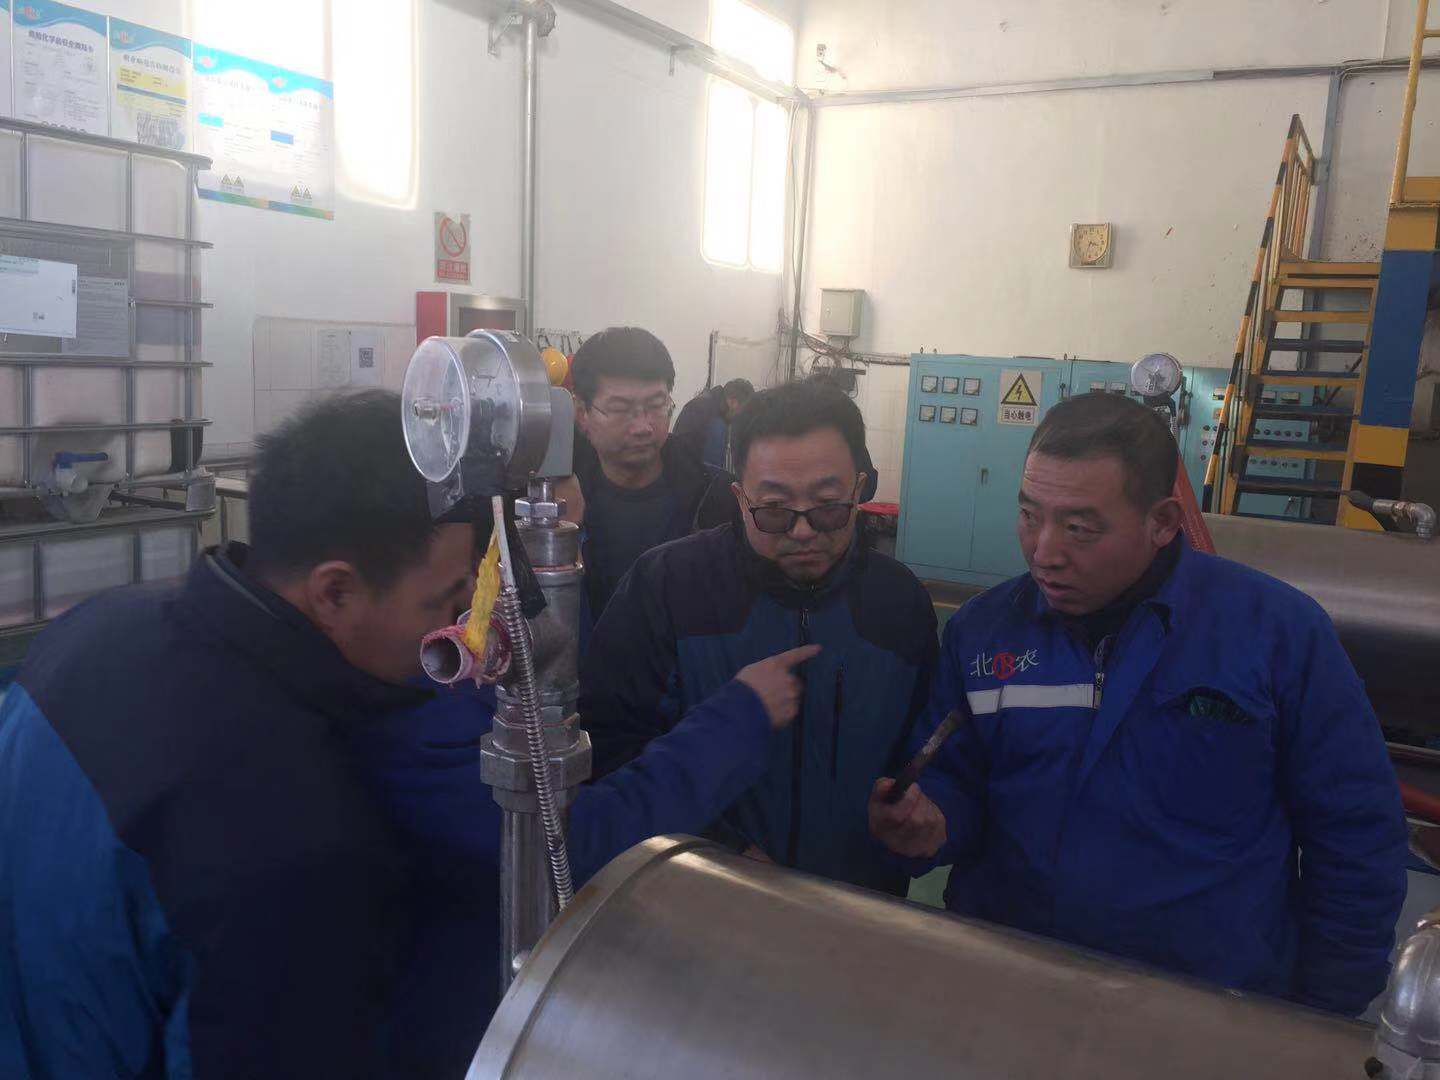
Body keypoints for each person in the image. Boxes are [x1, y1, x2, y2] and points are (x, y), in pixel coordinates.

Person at [0, 390, 814, 1079]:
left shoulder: (98, 629)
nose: (458, 629)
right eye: (445, 603)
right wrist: (734, 723)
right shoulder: (289, 835)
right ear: (336, 592)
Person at [869, 391, 1408, 1016]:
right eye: (1029, 515)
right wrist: (931, 822)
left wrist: (1323, 1009)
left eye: (1080, 528)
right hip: (1013, 983)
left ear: (1163, 522)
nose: (1044, 551)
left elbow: (1355, 831)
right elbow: (957, 780)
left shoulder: (1274, 634)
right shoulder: (985, 633)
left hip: (1208, 1007)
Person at [580, 379, 937, 893]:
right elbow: (607, 748)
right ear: (739, 498)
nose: (802, 531)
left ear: (859, 491)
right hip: (697, 901)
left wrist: (921, 815)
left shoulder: (899, 605)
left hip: (856, 910)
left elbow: (928, 755)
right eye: (773, 510)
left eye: (828, 506)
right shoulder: (666, 588)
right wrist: (718, 851)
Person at [563, 327, 735, 625]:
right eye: (621, 409)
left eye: (656, 406)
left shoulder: (719, 499)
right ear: (582, 413)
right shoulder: (555, 505)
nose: (643, 427)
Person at [673, 377, 754, 468]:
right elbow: (712, 469)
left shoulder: (708, 404)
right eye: (743, 411)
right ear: (732, 402)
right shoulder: (713, 420)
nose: (742, 417)